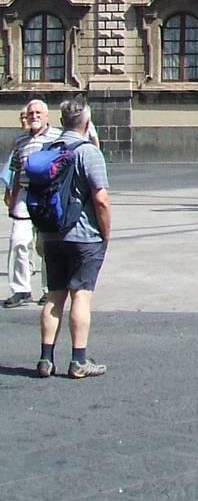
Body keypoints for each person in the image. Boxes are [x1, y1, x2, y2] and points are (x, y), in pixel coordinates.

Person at [14, 95, 111, 378]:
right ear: (88, 124)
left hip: (51, 233)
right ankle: (78, 360)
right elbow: (101, 199)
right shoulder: (88, 152)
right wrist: (106, 233)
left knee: (54, 296)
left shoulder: (48, 149)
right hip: (83, 235)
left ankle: (45, 359)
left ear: (61, 121)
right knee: (81, 295)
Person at [3, 101, 54, 309]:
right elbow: (16, 171)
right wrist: (13, 198)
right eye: (31, 113)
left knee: (46, 244)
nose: (34, 116)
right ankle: (21, 289)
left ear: (46, 116)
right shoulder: (21, 141)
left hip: (48, 196)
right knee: (19, 241)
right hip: (25, 195)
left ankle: (49, 289)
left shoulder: (57, 137)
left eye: (38, 113)